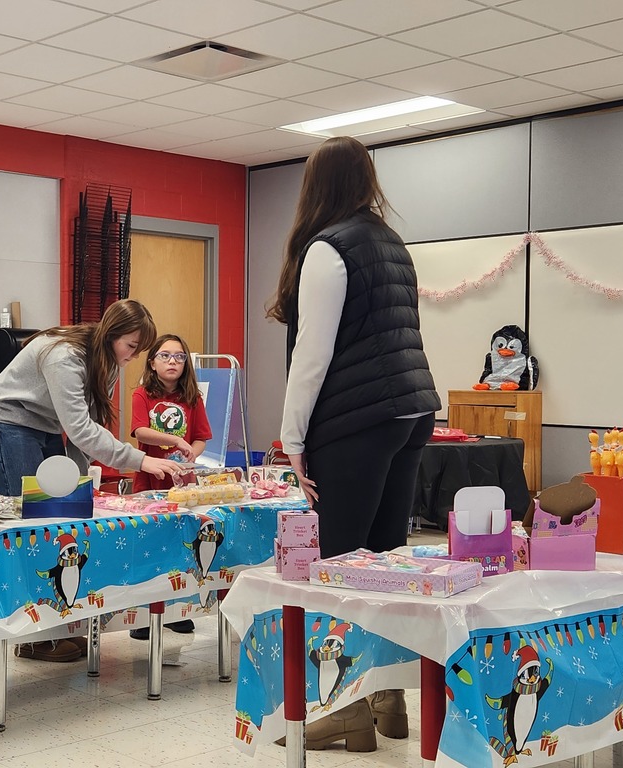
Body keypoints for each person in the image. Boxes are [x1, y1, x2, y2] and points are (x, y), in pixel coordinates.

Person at [267, 136, 441, 751]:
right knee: (386, 562)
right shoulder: (391, 242)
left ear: (316, 185)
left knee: (339, 564)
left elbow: (311, 354)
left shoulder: (328, 246)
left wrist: (291, 439)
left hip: (358, 421)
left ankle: (346, 708)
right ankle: (389, 697)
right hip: (411, 410)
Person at [0, 299, 183, 662]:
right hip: (10, 423)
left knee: (59, 522)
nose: (134, 356)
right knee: (29, 527)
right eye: (132, 346)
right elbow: (80, 429)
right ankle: (29, 636)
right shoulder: (66, 357)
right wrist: (142, 460)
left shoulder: (106, 361)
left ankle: (54, 629)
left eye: (139, 349)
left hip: (43, 427)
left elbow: (81, 435)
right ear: (112, 334)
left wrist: (79, 486)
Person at [128, 334, 212, 639]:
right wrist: (176, 439)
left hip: (181, 484)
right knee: (148, 544)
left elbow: (201, 438)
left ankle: (176, 610)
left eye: (179, 356)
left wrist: (190, 453)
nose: (172, 362)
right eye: (165, 356)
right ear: (152, 362)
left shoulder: (192, 398)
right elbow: (140, 431)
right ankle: (141, 615)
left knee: (180, 543)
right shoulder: (142, 394)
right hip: (148, 482)